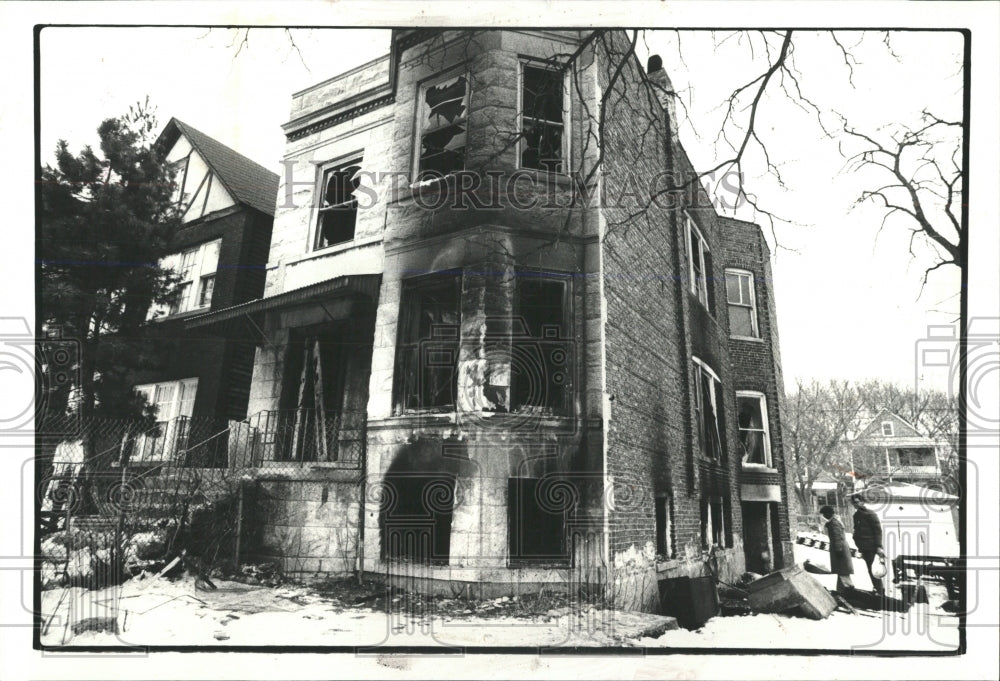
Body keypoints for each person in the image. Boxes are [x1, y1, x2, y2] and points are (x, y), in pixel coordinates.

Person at [851, 493, 886, 594]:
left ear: (862, 502)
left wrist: (879, 547)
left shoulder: (870, 514)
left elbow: (878, 531)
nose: (855, 504)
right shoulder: (856, 515)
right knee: (870, 569)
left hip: (872, 547)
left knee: (874, 569)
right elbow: (857, 530)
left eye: (857, 502)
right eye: (854, 503)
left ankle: (880, 591)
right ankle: (878, 589)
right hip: (863, 547)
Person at [819, 505, 854, 592]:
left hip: (840, 549)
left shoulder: (834, 523)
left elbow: (837, 537)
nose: (824, 516)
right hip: (840, 548)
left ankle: (848, 591)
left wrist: (838, 550)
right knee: (842, 571)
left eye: (824, 514)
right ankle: (842, 591)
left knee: (843, 571)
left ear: (829, 513)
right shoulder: (835, 521)